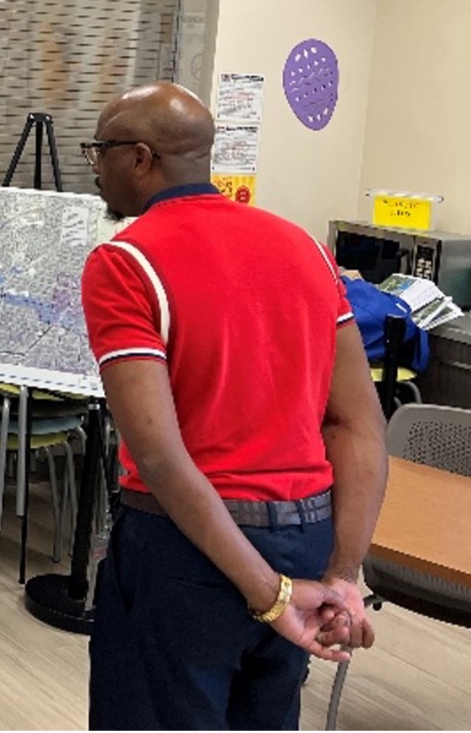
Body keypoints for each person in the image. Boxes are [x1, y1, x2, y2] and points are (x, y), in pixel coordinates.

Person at [80, 82, 387, 730]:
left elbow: (161, 457)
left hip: (187, 553)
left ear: (139, 159)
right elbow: (357, 423)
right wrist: (338, 575)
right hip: (304, 540)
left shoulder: (125, 261)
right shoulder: (303, 248)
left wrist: (266, 595)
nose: (96, 169)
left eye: (99, 151)